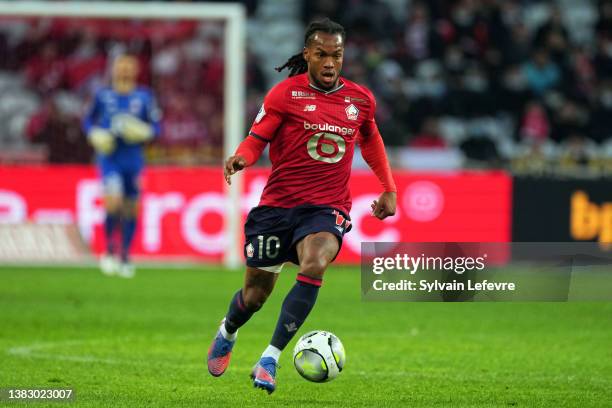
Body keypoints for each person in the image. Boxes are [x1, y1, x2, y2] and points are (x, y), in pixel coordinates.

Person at [207, 18, 397, 394]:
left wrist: (388, 188)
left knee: (316, 260)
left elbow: (371, 141)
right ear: (307, 54)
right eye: (322, 54)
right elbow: (256, 137)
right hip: (277, 207)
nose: (330, 63)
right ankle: (228, 330)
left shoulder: (360, 100)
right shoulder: (285, 94)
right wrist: (242, 157)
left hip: (327, 206)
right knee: (255, 297)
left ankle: (270, 358)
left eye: (337, 55)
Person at [82, 55, 161, 278]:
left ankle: (125, 255)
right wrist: (93, 134)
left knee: (131, 207)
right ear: (114, 69)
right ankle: (108, 250)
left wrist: (145, 132)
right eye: (121, 66)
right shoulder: (102, 95)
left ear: (135, 70)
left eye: (129, 67)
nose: (124, 70)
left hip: (134, 158)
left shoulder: (145, 96)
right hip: (110, 158)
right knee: (113, 202)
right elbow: (88, 120)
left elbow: (156, 126)